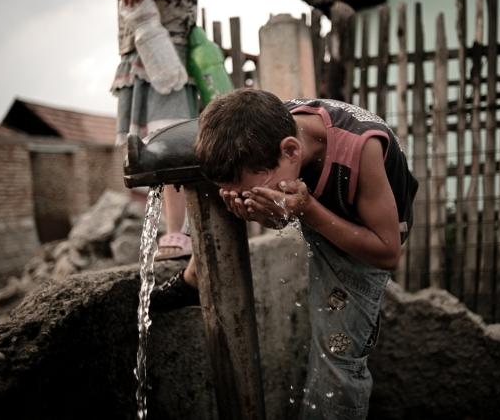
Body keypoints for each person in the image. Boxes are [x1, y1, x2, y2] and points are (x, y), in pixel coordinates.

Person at [153, 88, 418, 419]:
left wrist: (307, 209)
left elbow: (387, 251)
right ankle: (196, 275)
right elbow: (278, 217)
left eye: (253, 190)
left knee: (338, 357)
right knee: (219, 174)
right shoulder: (266, 136)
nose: (245, 195)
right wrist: (257, 210)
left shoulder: (360, 149)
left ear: (291, 150)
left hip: (363, 231)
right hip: (307, 199)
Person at [85, 0, 212, 260]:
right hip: (133, 46)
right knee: (146, 145)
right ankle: (167, 230)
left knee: (170, 137)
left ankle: (179, 233)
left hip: (171, 44)